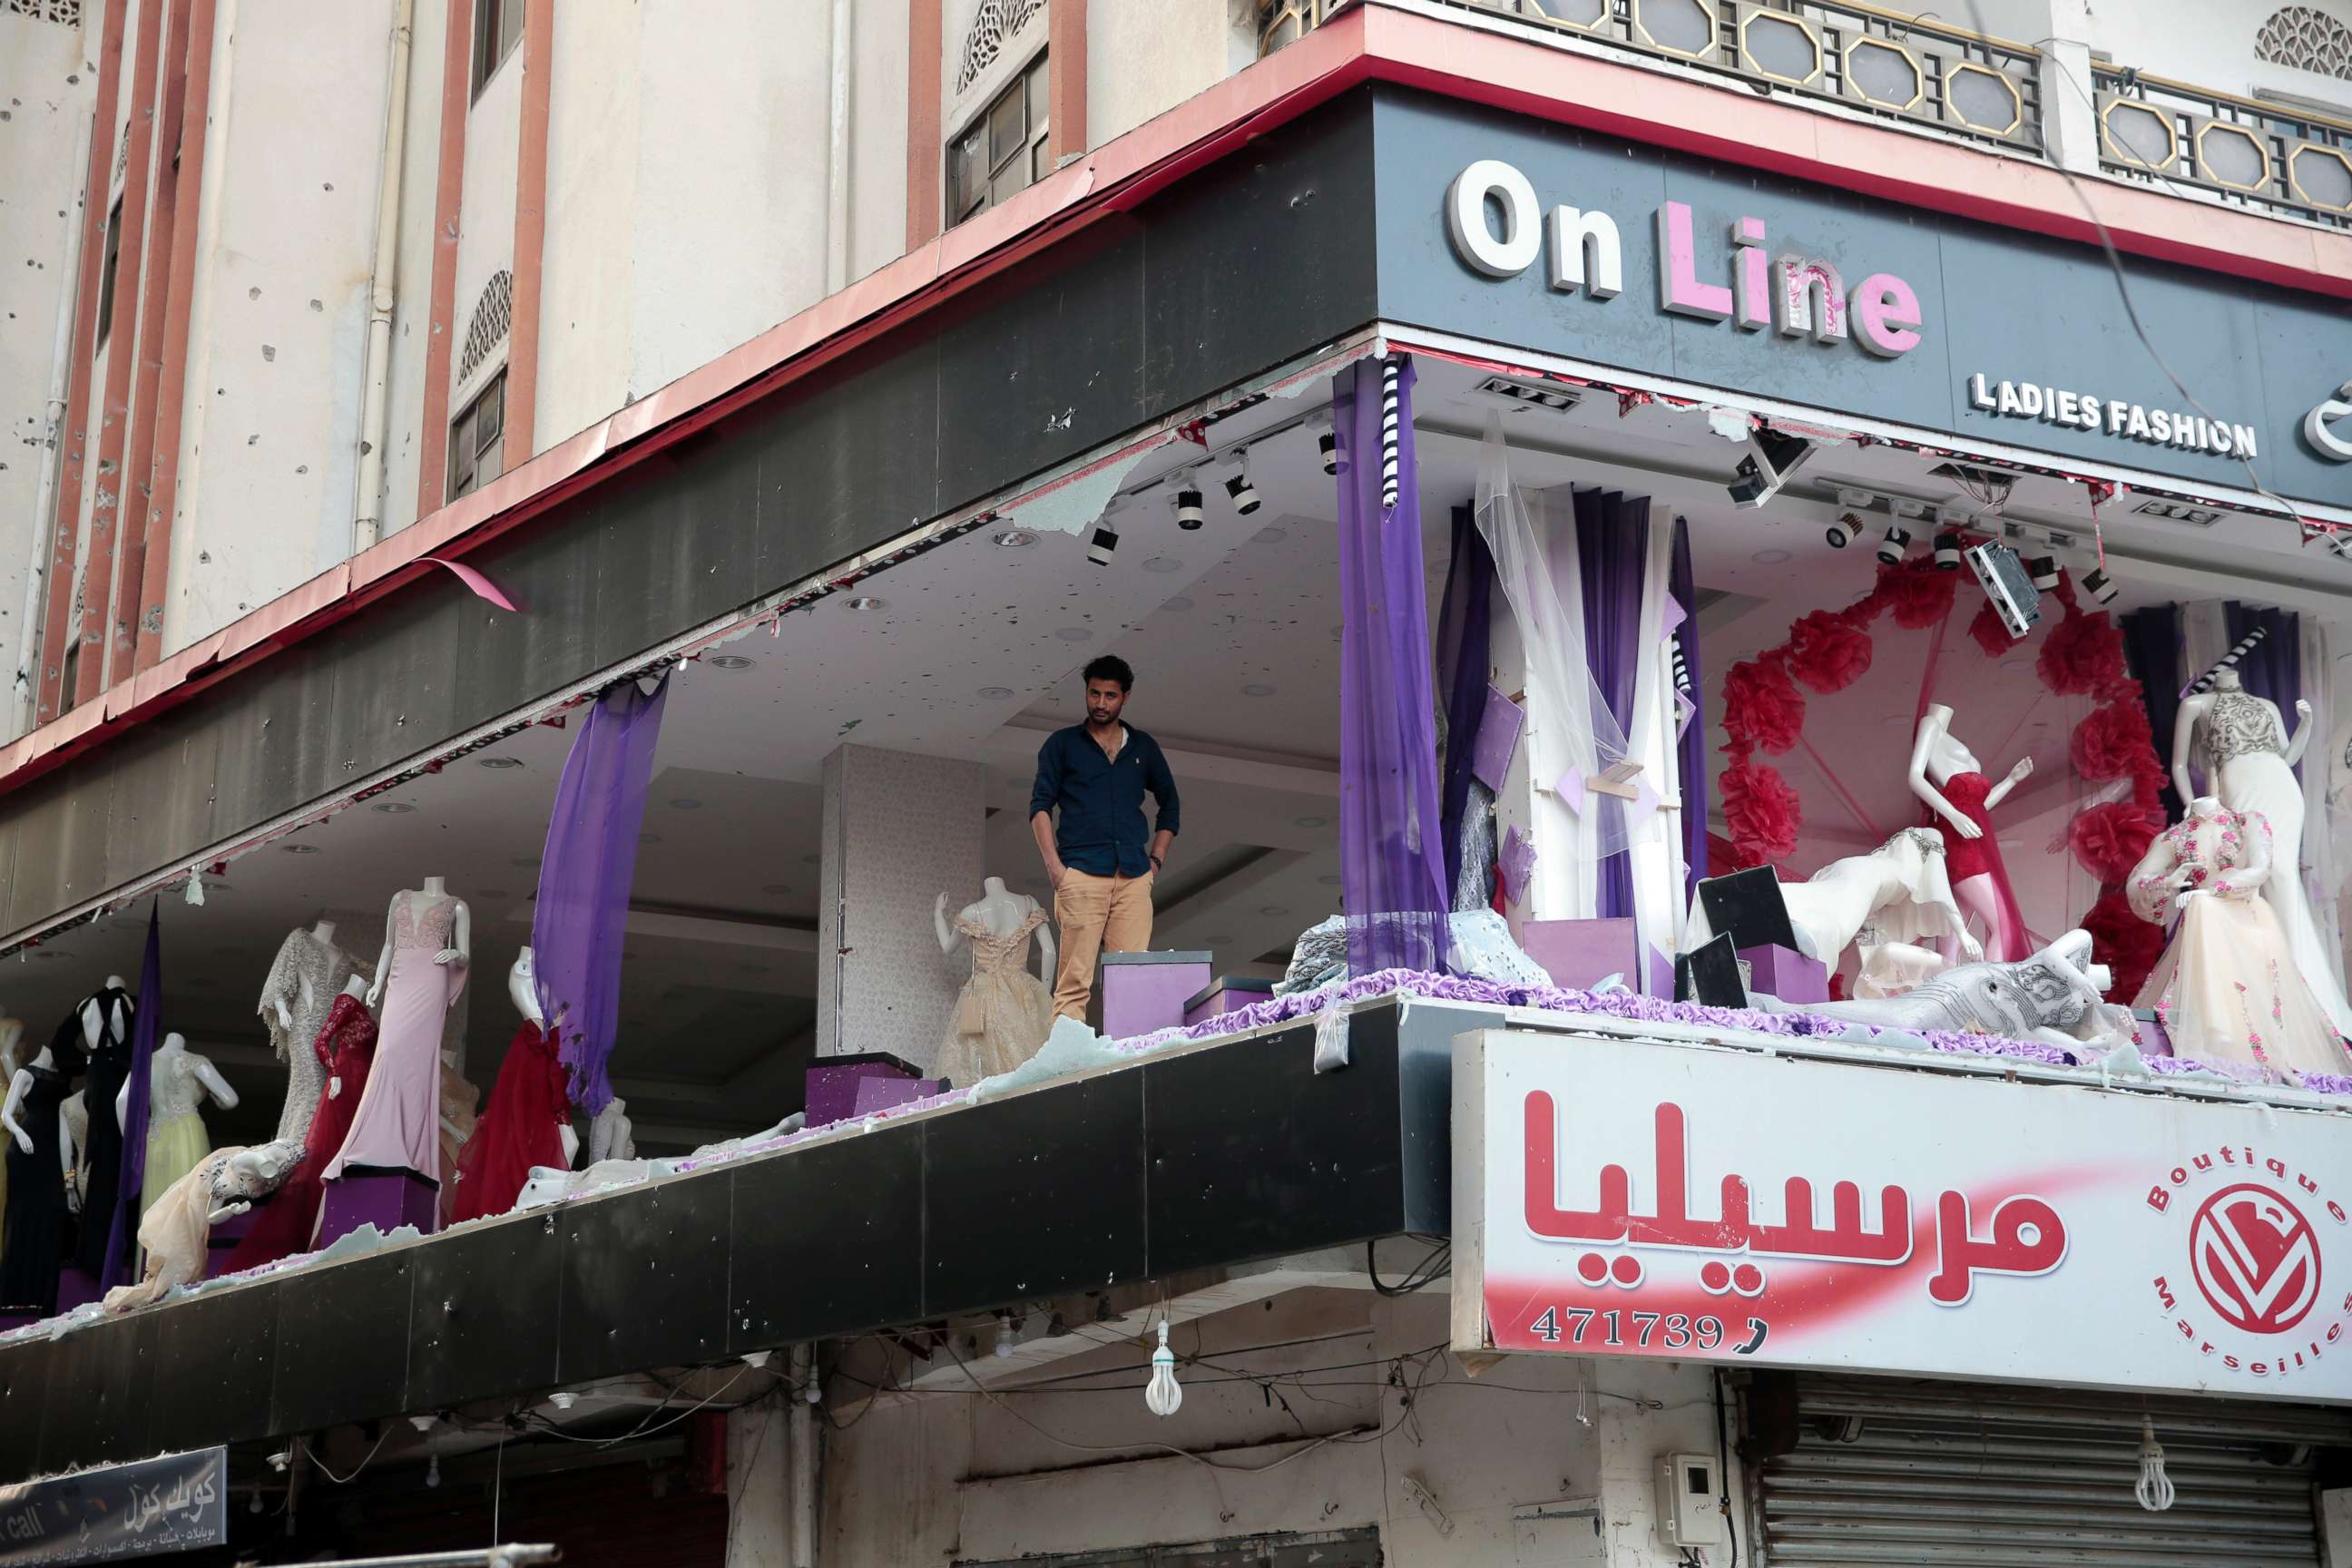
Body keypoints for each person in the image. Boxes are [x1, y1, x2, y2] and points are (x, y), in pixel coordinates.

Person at [1029, 656, 1182, 1023]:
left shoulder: (1143, 748)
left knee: (1130, 979)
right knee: (1074, 981)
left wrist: (1155, 861)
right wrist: (1055, 868)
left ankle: (1125, 1064)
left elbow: (1171, 805)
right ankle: (1067, 1066)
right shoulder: (1063, 744)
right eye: (1094, 693)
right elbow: (1039, 806)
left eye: (1110, 696)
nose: (1100, 703)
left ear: (1125, 697)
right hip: (1080, 873)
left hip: (1133, 874)